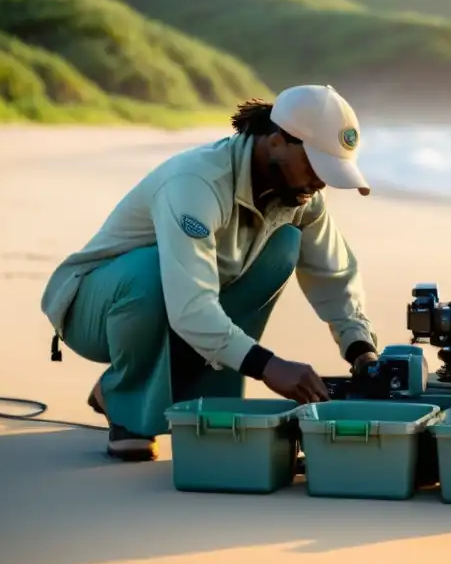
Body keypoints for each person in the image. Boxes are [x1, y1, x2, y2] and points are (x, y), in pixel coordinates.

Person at [41, 84, 381, 462]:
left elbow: (335, 273)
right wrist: (268, 366)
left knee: (285, 244)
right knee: (153, 270)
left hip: (181, 303)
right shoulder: (196, 183)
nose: (322, 181)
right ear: (276, 142)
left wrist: (361, 349)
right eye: (316, 165)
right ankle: (125, 399)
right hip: (95, 308)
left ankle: (210, 403)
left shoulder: (301, 195)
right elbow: (190, 308)